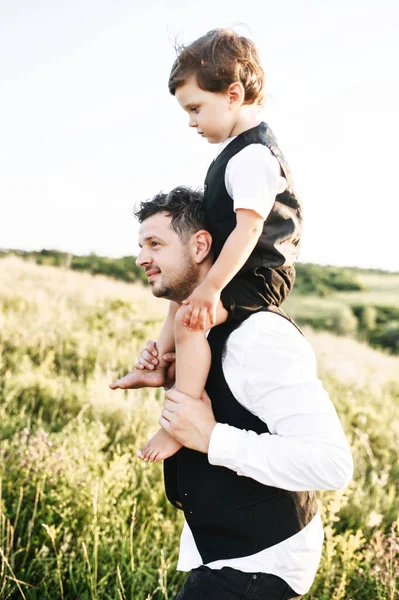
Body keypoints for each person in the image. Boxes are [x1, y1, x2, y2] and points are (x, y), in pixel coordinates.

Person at [112, 187, 353, 599]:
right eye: (140, 246)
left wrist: (211, 439)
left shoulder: (258, 336)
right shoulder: (200, 327)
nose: (141, 258)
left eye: (155, 244)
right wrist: (170, 379)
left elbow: (332, 465)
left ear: (201, 245)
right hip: (226, 553)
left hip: (261, 565)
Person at [110, 29, 303, 464]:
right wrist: (200, 287)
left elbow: (250, 231)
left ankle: (181, 418)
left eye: (196, 108)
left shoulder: (255, 155)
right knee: (182, 299)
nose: (192, 121)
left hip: (254, 275)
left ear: (233, 94)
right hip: (231, 269)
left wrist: (212, 288)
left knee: (194, 319)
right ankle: (158, 363)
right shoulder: (233, 153)